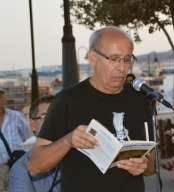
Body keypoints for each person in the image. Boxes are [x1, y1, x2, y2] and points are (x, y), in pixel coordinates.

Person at [28, 26, 155, 191]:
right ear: (93, 57)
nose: (122, 67)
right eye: (114, 58)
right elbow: (35, 166)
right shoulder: (67, 101)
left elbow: (151, 168)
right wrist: (68, 141)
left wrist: (144, 166)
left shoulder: (140, 99)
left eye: (127, 59)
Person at [9, 95, 61, 192]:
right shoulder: (21, 169)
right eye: (46, 116)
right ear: (32, 124)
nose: (55, 121)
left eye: (60, 115)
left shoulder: (80, 158)